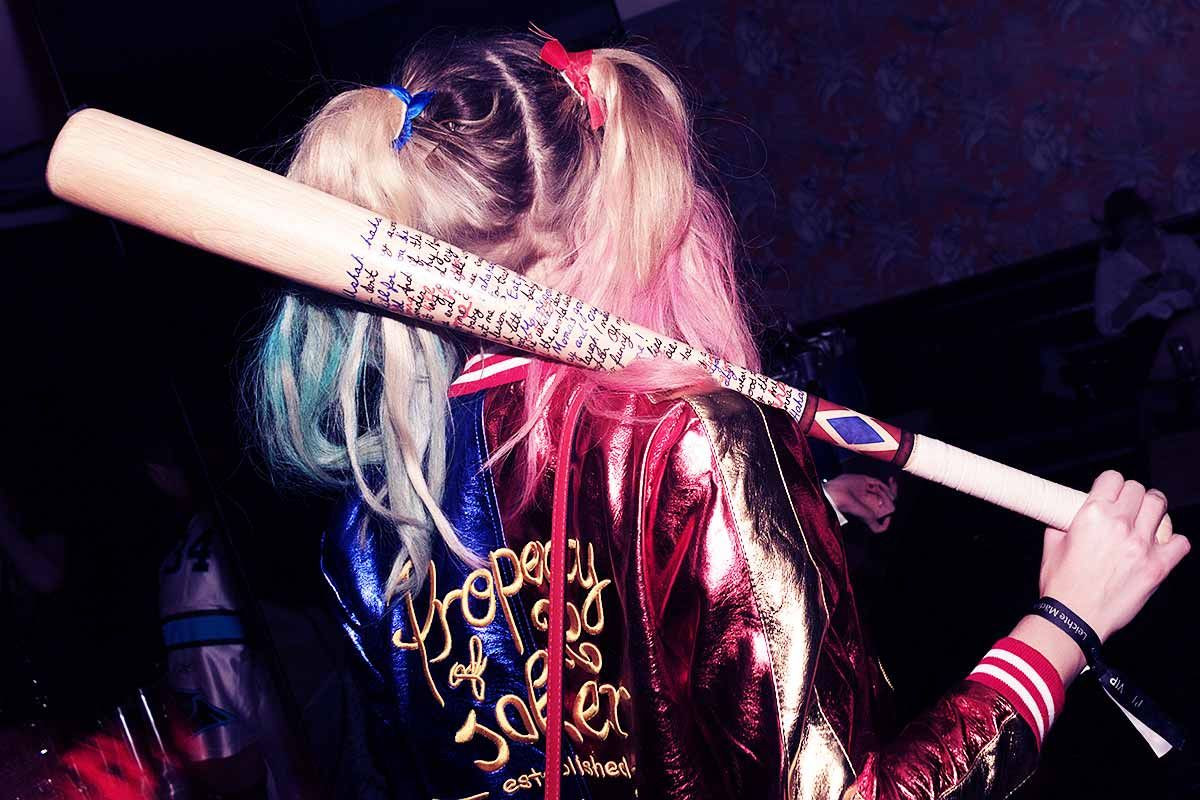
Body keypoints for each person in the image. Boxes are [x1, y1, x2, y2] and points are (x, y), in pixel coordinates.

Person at [247, 32, 1190, 799]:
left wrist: (774, 523)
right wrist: (1066, 623)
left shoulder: (368, 523)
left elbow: (565, 637)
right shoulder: (696, 438)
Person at [1094, 187, 1200, 338]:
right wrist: (1133, 302)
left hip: (1191, 324)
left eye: (1141, 227)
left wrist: (1186, 282)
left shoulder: (1181, 244)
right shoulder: (1109, 267)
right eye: (1129, 233)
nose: (1139, 237)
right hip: (1145, 336)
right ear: (1118, 234)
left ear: (1150, 218)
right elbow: (1106, 326)